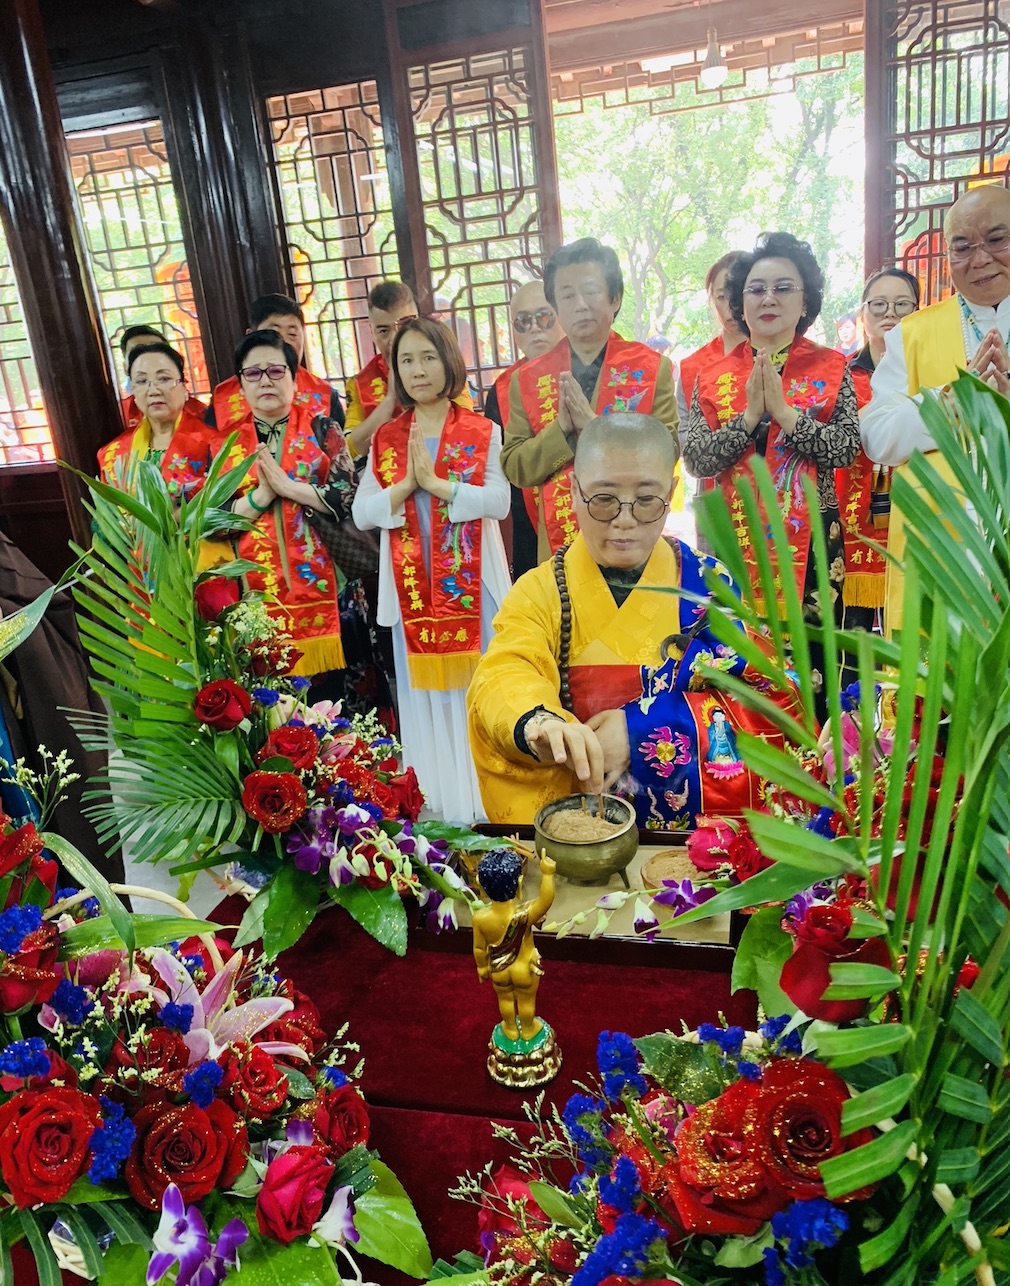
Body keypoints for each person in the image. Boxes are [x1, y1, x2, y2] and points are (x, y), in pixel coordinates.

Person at [468, 413, 801, 829]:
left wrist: (641, 729)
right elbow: (505, 672)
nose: (624, 520)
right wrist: (539, 721)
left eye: (646, 501)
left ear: (672, 492)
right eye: (604, 499)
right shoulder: (541, 590)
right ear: (574, 491)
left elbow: (779, 701)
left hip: (692, 845)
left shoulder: (709, 585)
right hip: (582, 834)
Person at [352, 318, 510, 825]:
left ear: (448, 361)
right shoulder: (386, 438)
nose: (417, 370)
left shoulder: (483, 430)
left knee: (479, 694)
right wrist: (404, 488)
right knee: (426, 702)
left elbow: (501, 502)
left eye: (427, 357)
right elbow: (363, 512)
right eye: (405, 360)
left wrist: (438, 486)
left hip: (473, 591)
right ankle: (441, 807)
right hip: (411, 593)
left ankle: (492, 803)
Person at [683, 232, 860, 637]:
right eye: (756, 289)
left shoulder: (833, 367)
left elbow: (846, 448)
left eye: (783, 288)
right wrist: (748, 419)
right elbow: (695, 458)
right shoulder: (710, 376)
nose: (768, 299)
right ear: (740, 304)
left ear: (804, 303)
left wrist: (784, 414)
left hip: (812, 538)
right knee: (736, 660)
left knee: (812, 663)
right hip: (732, 534)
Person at [860, 184, 1010, 630]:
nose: (980, 259)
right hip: (946, 546)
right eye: (962, 246)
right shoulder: (912, 334)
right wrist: (952, 400)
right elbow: (876, 436)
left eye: (997, 239)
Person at [500, 238, 678, 562]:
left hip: (632, 536)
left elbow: (669, 450)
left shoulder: (652, 369)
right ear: (556, 307)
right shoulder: (527, 379)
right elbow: (515, 467)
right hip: (557, 546)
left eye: (591, 291)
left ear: (615, 298)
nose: (580, 304)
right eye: (567, 295)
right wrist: (562, 431)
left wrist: (595, 429)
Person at [218, 329, 357, 679]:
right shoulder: (224, 444)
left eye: (276, 370)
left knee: (338, 699)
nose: (265, 380)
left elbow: (347, 498)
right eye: (253, 373)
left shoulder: (323, 428)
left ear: (295, 378)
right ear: (241, 384)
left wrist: (289, 488)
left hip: (332, 590)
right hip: (255, 596)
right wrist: (261, 496)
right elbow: (214, 522)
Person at [836, 269, 921, 627]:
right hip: (851, 517)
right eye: (879, 305)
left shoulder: (929, 369)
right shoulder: (839, 374)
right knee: (849, 639)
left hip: (912, 512)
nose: (890, 314)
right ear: (862, 316)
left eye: (902, 305)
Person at [484, 281, 564, 580]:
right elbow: (503, 466)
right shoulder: (502, 390)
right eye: (523, 321)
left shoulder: (587, 372)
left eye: (544, 316)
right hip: (527, 519)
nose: (534, 327)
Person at [344, 281, 473, 464]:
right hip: (387, 479)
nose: (395, 338)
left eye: (404, 324)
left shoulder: (444, 369)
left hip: (446, 467)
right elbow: (348, 450)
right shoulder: (360, 383)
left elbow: (469, 426)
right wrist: (390, 399)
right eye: (383, 330)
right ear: (371, 333)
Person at [472, 848, 561, 1087]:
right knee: (526, 1001)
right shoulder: (524, 913)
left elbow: (480, 949)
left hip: (499, 969)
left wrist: (482, 967)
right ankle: (529, 1028)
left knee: (505, 999)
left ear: (481, 885)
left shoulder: (480, 918)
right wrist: (548, 874)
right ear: (519, 884)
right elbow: (546, 900)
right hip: (524, 968)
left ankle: (510, 1028)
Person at [99, 343, 218, 501]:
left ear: (184, 387)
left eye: (164, 379)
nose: (153, 390)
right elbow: (106, 514)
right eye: (142, 381)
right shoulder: (113, 453)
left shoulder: (213, 443)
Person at [208, 294, 345, 430]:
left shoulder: (324, 395)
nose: (283, 343)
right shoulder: (222, 397)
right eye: (273, 333)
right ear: (251, 336)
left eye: (292, 334)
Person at [676, 252, 746, 439]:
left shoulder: (777, 357)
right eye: (721, 297)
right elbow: (683, 434)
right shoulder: (693, 367)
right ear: (711, 298)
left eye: (739, 295)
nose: (731, 307)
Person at [118, 325, 206, 431]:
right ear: (126, 368)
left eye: (164, 379)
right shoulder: (119, 414)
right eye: (142, 381)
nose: (148, 358)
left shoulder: (200, 413)